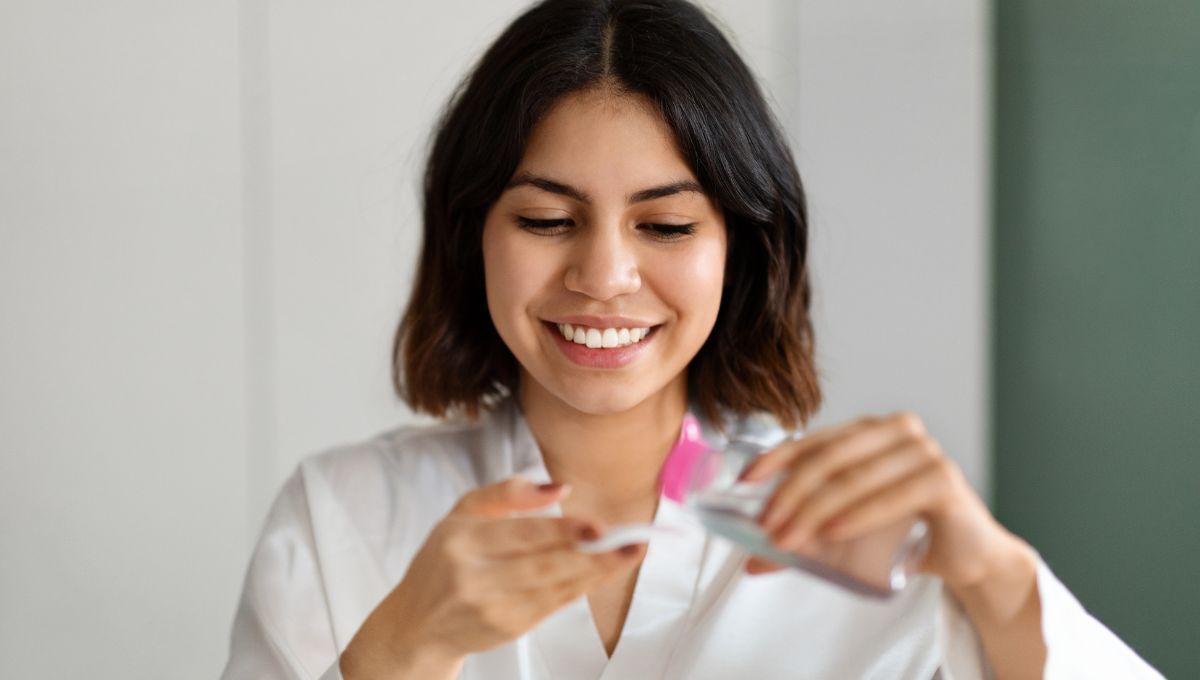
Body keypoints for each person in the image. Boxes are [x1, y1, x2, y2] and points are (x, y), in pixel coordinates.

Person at [220, 1, 1163, 678]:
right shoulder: (342, 519)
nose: (604, 276)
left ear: (740, 253)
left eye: (666, 228)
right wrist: (400, 653)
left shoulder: (858, 546)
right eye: (547, 220)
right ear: (474, 238)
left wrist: (995, 579)